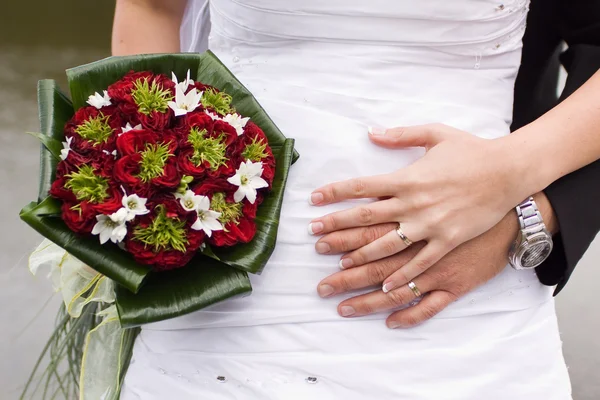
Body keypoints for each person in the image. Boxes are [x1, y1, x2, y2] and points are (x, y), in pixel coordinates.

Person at [113, 1, 600, 398]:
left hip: (466, 301)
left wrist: (516, 191)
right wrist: (150, 178)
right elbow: (151, 7)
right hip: (225, 290)